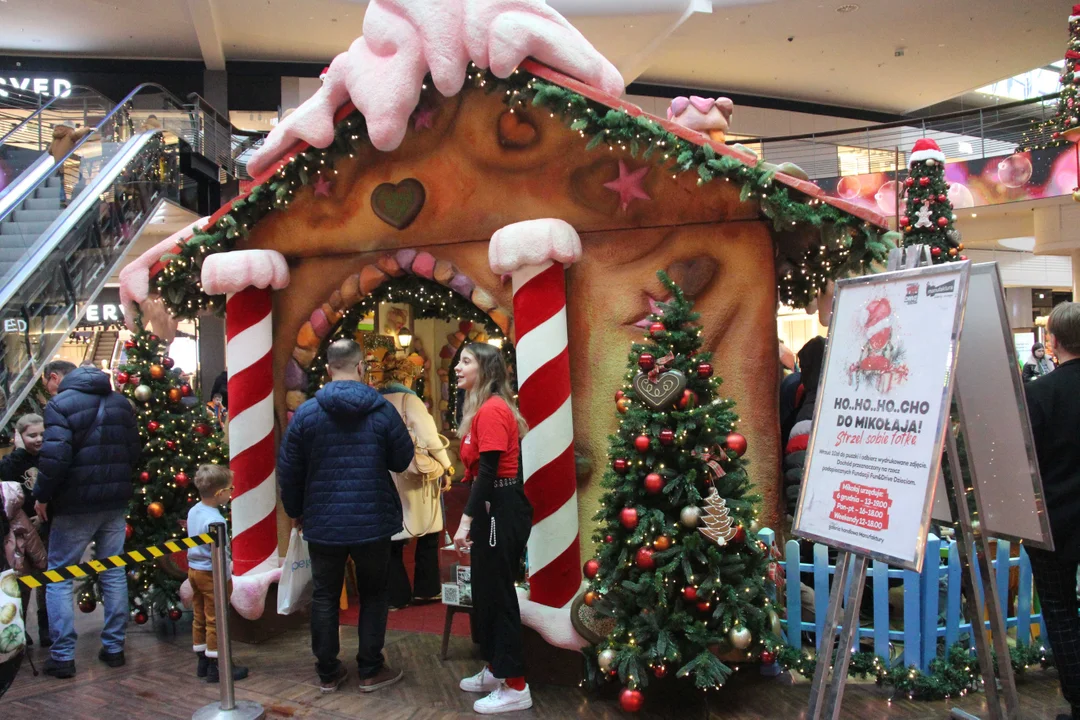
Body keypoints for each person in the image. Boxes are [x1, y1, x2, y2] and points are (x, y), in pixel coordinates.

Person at [277, 339, 414, 694]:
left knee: (324, 596)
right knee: (373, 594)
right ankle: (370, 669)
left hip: (323, 522)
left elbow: (289, 471)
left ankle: (328, 672)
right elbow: (401, 460)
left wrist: (296, 511)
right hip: (373, 521)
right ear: (360, 367)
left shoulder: (306, 413)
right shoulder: (382, 411)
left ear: (327, 369)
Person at [32, 360, 140, 679]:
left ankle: (63, 656)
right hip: (115, 502)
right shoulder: (121, 403)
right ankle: (114, 648)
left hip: (74, 505)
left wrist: (42, 495)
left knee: (60, 575)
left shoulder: (59, 405)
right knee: (113, 570)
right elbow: (134, 451)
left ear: (61, 379)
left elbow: (55, 457)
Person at [452, 343, 534, 715]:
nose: (457, 366)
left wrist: (465, 521)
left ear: (484, 369)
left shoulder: (492, 410)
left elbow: (488, 473)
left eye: (465, 361)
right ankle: (496, 668)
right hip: (492, 509)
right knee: (485, 592)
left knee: (499, 596)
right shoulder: (479, 410)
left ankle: (516, 685)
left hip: (500, 508)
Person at [1023, 303, 1080, 720]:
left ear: (1053, 341)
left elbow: (1024, 460)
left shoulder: (1039, 394)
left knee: (1059, 610)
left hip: (1054, 522)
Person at [369, 354, 453, 609]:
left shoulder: (376, 401)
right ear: (407, 377)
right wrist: (447, 465)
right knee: (428, 532)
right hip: (413, 475)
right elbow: (429, 438)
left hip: (385, 473)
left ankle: (396, 594)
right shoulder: (410, 400)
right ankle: (426, 589)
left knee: (392, 537)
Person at [186, 465, 249, 684]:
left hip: (194, 571)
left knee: (200, 615)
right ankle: (218, 665)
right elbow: (221, 554)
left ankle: (203, 660)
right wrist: (228, 574)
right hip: (212, 573)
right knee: (217, 619)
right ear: (219, 493)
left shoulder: (194, 511)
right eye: (230, 489)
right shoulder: (216, 521)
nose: (231, 493)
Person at [0, 414, 49, 647]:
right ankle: (20, 625)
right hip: (21, 530)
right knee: (23, 577)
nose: (38, 439)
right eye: (32, 435)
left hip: (45, 524)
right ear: (20, 436)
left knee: (46, 576)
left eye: (42, 434)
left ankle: (46, 625)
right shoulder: (11, 464)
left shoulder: (49, 458)